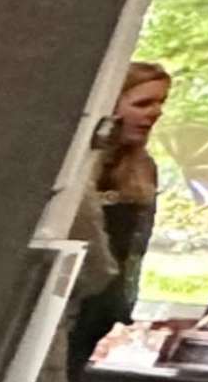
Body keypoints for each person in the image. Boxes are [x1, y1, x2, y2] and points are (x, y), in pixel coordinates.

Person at [72, 58, 171, 364]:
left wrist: (122, 307)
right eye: (143, 104)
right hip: (68, 299)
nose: (155, 113)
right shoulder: (76, 168)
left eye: (160, 103)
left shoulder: (142, 170)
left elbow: (133, 251)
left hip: (100, 309)